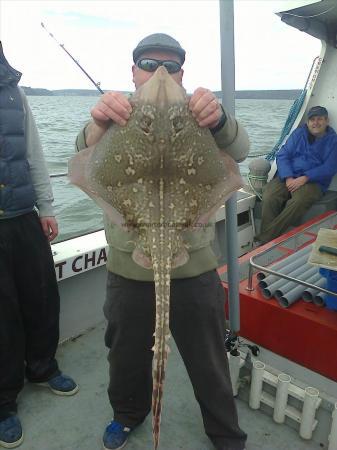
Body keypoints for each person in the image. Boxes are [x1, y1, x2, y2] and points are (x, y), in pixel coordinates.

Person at [75, 33, 249, 450]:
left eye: (170, 66)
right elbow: (81, 155)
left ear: (182, 74)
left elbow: (239, 150)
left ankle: (226, 434)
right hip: (127, 265)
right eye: (149, 64)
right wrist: (98, 122)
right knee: (125, 353)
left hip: (193, 264)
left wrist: (219, 119)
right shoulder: (115, 113)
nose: (159, 73)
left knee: (208, 358)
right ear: (133, 71)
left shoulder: (199, 111)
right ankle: (128, 413)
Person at [0, 42, 78, 448]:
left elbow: (34, 152)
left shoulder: (14, 89)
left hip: (24, 214)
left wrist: (46, 205)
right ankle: (4, 399)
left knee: (42, 297)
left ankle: (43, 367)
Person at [256, 105, 337, 244]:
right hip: (289, 176)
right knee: (270, 196)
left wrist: (305, 177)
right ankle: (268, 241)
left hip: (314, 182)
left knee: (298, 201)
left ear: (326, 121)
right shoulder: (299, 134)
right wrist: (288, 177)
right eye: (312, 119)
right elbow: (283, 155)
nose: (315, 123)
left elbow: (330, 167)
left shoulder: (333, 140)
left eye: (320, 119)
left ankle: (264, 240)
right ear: (307, 122)